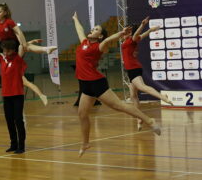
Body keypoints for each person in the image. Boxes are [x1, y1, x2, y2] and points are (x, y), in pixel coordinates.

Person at [72, 12, 161, 157]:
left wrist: (120, 33)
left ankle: (149, 120)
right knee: (82, 114)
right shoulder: (84, 43)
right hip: (85, 84)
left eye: (96, 29)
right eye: (93, 28)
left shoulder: (98, 47)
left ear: (100, 36)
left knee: (119, 106)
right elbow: (80, 30)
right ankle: (85, 143)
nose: (92, 30)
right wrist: (75, 19)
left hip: (96, 83)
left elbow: (109, 40)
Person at [121, 16, 173, 131]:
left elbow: (137, 34)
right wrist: (150, 30)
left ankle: (162, 97)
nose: (124, 33)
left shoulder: (132, 39)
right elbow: (143, 35)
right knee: (133, 95)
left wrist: (142, 25)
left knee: (142, 87)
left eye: (127, 31)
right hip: (130, 70)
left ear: (130, 33)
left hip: (134, 69)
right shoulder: (129, 40)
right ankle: (139, 119)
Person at [0, 34, 27, 154]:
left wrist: (16, 31)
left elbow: (22, 45)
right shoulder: (2, 59)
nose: (4, 52)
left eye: (7, 50)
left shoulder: (18, 59)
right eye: (4, 50)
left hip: (17, 95)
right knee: (9, 120)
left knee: (18, 120)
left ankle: (21, 145)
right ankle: (13, 144)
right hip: (6, 95)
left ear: (12, 50)